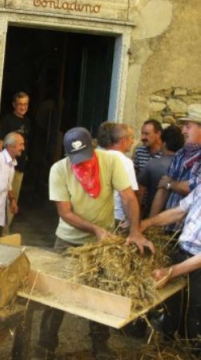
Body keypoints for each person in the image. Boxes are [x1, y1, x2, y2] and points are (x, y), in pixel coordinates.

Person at [35, 127, 154, 360]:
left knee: (101, 290)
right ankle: (45, 346)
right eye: (75, 159)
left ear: (94, 146)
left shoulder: (111, 161)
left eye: (85, 157)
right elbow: (65, 213)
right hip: (68, 239)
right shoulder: (59, 170)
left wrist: (136, 230)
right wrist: (95, 229)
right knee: (56, 293)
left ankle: (100, 345)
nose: (81, 163)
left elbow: (128, 197)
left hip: (104, 242)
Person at [141, 180, 201, 356]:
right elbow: (178, 212)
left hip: (197, 264)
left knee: (196, 315)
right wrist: (147, 223)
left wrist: (171, 271)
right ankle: (170, 349)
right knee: (173, 308)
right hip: (183, 254)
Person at [149, 105, 201, 233]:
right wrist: (151, 224)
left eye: (188, 126)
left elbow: (193, 188)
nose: (183, 131)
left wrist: (170, 184)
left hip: (191, 234)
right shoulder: (181, 153)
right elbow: (162, 188)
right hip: (170, 228)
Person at [0, 92, 31, 228]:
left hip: (20, 165)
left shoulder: (28, 122)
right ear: (14, 105)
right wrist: (4, 162)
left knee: (13, 197)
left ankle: (6, 229)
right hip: (8, 165)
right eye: (19, 104)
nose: (22, 107)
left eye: (25, 104)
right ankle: (1, 231)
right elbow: (0, 142)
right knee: (4, 196)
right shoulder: (7, 120)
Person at [97, 123, 138, 228]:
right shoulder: (125, 162)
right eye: (132, 138)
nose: (133, 141)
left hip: (95, 215)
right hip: (114, 217)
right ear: (124, 141)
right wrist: (133, 224)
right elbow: (128, 196)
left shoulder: (97, 156)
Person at [137, 126, 184, 218]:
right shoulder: (187, 166)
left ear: (164, 144)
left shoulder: (152, 164)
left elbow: (139, 193)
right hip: (178, 216)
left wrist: (137, 216)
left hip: (152, 214)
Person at [0, 132, 25, 239]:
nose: (23, 148)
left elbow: (8, 186)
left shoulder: (12, 163)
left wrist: (12, 200)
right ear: (11, 146)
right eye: (21, 144)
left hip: (0, 212)